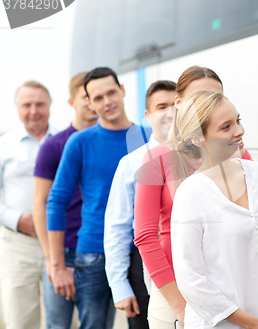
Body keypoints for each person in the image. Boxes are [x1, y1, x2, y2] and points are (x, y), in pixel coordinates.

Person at [134, 66, 252, 328]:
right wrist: (178, 303)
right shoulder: (157, 158)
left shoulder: (240, 156)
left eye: (217, 98)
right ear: (179, 103)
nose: (212, 105)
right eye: (201, 98)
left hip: (234, 290)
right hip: (176, 296)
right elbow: (145, 236)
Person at [169, 91, 258, 329]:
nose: (239, 130)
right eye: (226, 127)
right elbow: (191, 281)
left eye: (238, 120)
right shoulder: (190, 195)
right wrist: (252, 323)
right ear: (197, 138)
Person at [47, 67, 133, 328]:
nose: (107, 102)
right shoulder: (80, 142)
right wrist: (58, 265)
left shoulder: (147, 137)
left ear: (122, 91)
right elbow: (56, 201)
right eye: (97, 98)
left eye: (111, 93)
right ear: (90, 103)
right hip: (94, 254)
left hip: (140, 251)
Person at [104, 80, 177, 329]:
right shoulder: (132, 162)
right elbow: (117, 226)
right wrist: (119, 285)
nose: (170, 112)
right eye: (161, 106)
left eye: (176, 104)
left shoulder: (198, 155)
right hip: (143, 262)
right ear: (148, 115)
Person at [33, 72, 98, 329]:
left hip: (98, 252)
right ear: (72, 101)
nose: (94, 102)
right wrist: (52, 258)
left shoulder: (110, 140)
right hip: (64, 250)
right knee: (57, 325)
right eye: (86, 96)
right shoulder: (54, 145)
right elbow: (40, 203)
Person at [0, 80, 57, 328]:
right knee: (21, 320)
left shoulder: (66, 141)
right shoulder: (3, 146)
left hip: (59, 243)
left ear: (50, 106)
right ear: (17, 107)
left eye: (40, 104)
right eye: (27, 105)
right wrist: (17, 219)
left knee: (63, 319)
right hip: (18, 244)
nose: (34, 110)